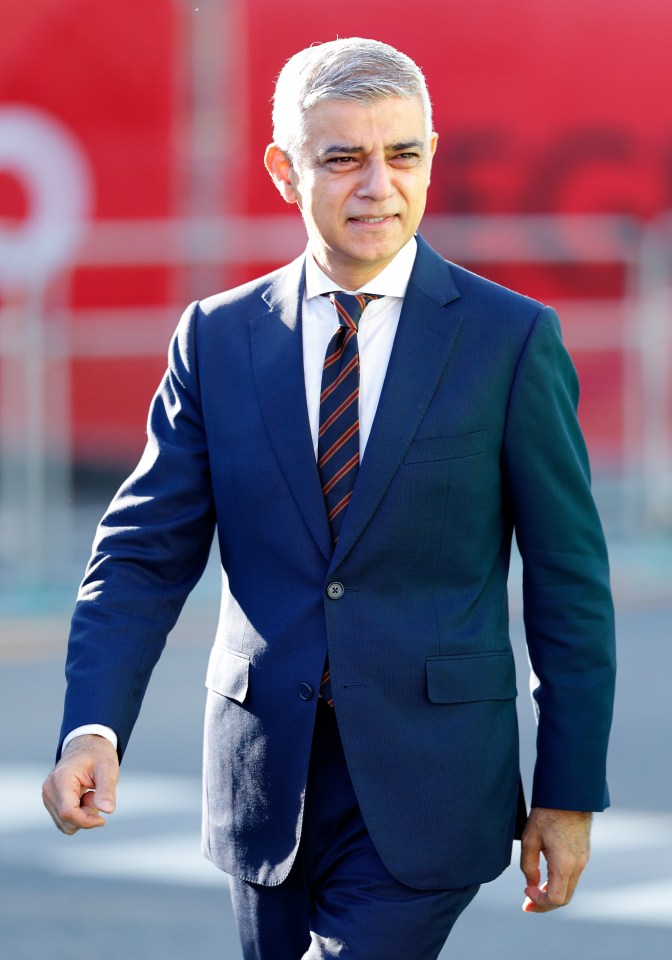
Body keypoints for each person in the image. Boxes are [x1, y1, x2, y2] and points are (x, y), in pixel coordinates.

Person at [43, 37, 616, 960]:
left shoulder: (510, 343)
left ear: (433, 154)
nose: (378, 187)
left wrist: (568, 792)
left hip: (436, 788)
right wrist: (92, 724)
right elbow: (143, 554)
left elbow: (570, 586)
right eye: (342, 157)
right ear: (284, 169)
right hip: (263, 789)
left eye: (403, 155)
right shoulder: (217, 339)